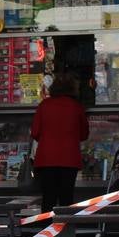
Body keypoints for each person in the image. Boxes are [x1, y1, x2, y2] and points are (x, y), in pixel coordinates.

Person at [31, 73, 89, 213]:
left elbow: (35, 132)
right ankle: (65, 232)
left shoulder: (44, 105)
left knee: (48, 199)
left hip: (46, 159)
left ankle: (47, 232)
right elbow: (84, 134)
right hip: (69, 159)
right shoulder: (76, 107)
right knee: (66, 199)